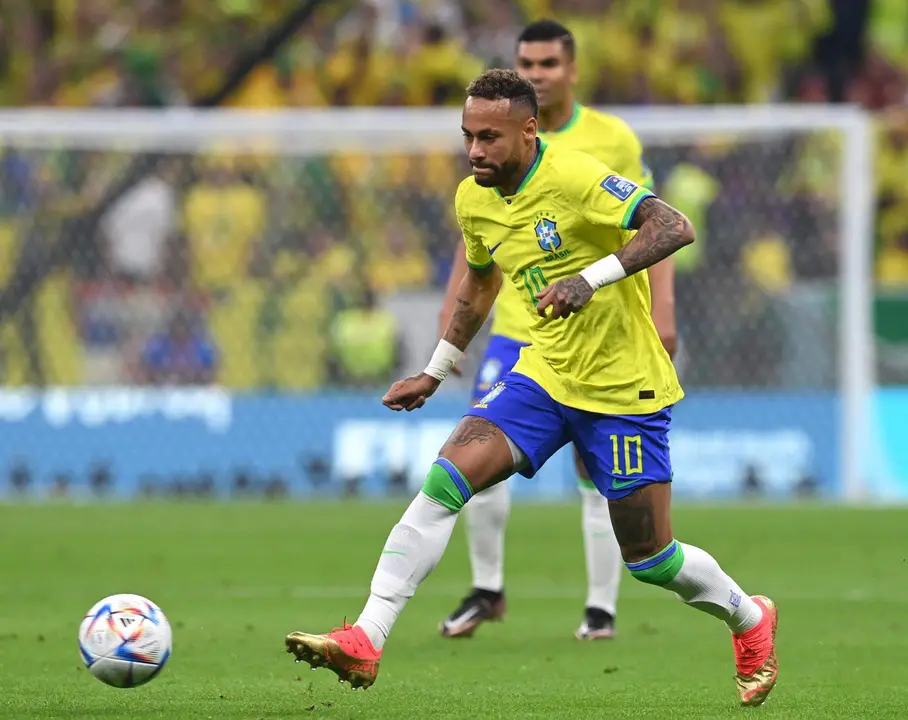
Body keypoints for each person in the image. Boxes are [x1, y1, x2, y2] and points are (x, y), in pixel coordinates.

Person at [285, 69, 778, 708]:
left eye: (489, 136)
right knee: (445, 481)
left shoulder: (575, 177)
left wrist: (590, 277)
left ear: (528, 129)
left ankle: (749, 618)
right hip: (544, 374)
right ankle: (366, 637)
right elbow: (479, 285)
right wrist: (436, 369)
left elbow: (674, 226)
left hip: (623, 388)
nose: (475, 150)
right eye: (467, 135)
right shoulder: (473, 198)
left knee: (651, 558)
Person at [437, 19, 676, 642]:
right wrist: (449, 333)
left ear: (570, 69)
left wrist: (663, 312)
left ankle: (600, 607)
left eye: (547, 63)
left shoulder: (608, 139)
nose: (537, 73)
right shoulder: (491, 147)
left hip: (594, 324)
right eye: (527, 62)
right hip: (518, 330)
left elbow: (650, 226)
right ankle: (487, 589)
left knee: (595, 476)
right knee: (475, 458)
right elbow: (479, 244)